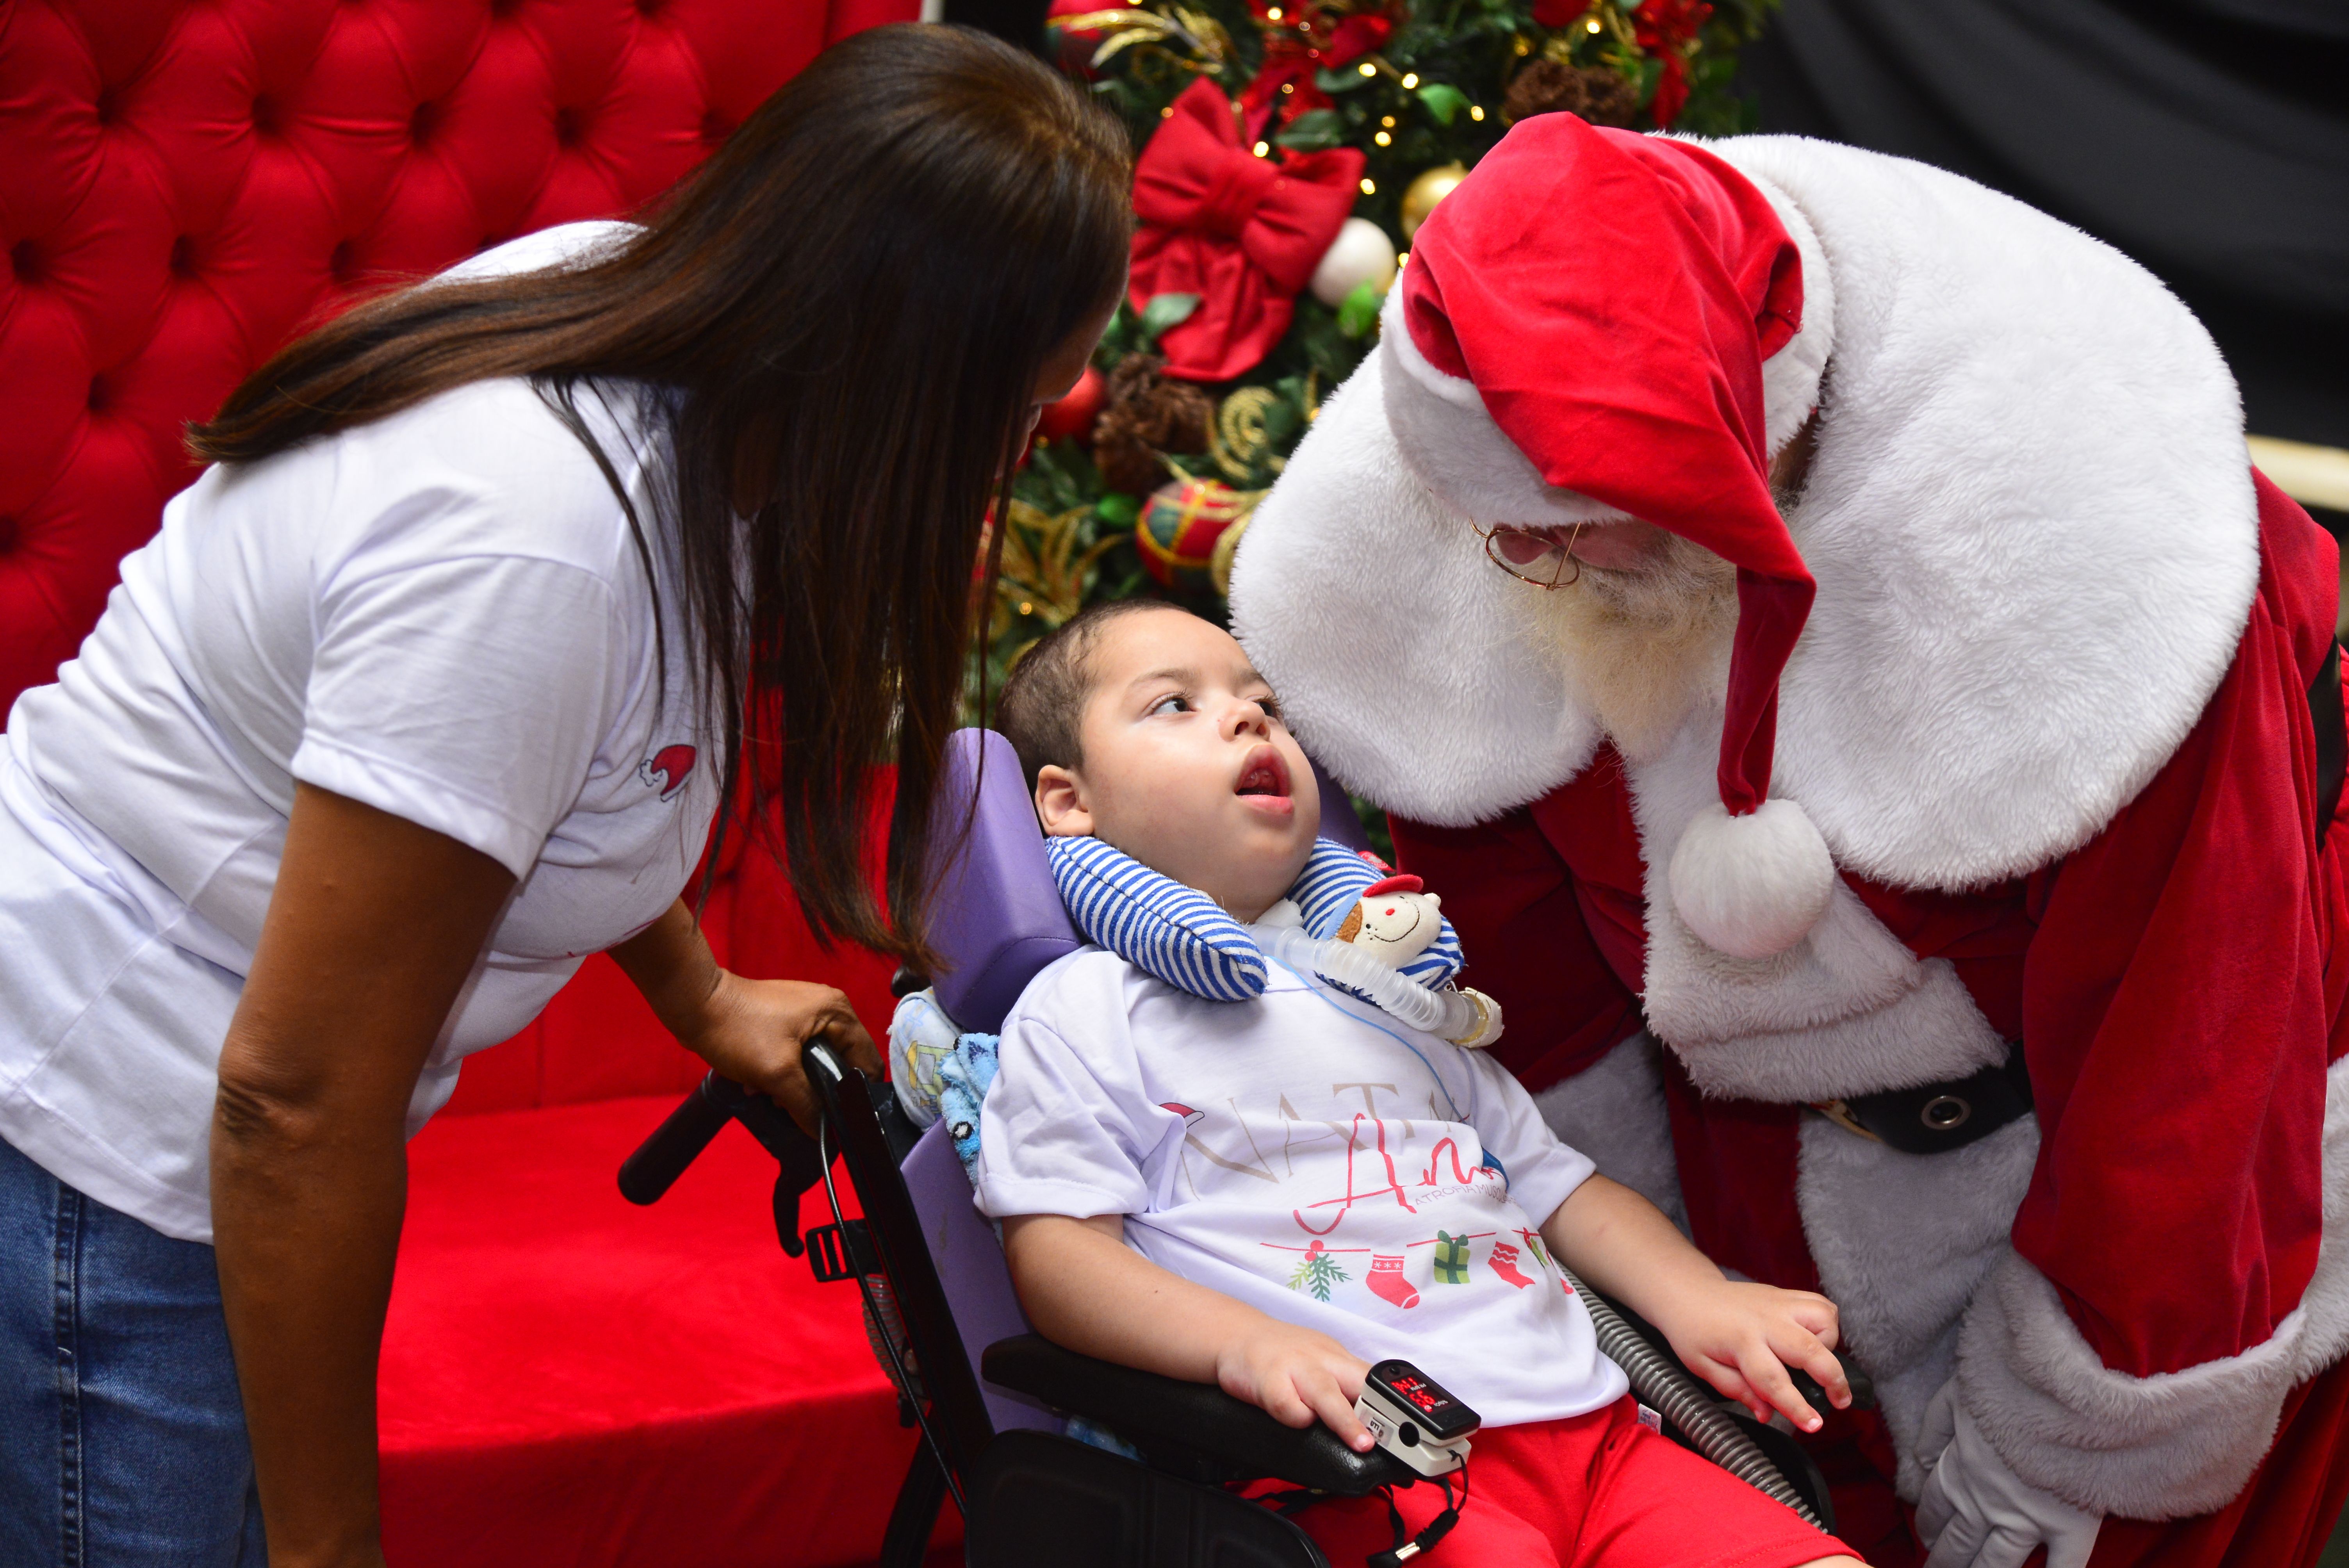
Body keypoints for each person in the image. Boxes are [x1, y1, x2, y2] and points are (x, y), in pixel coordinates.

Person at [0, 25, 1132, 1568]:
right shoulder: (530, 546)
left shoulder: (681, 329)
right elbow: (293, 1101)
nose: (1017, 453)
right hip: (109, 1139)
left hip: (206, 1114)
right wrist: (333, 1551)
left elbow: (545, 766)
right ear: (902, 377)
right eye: (1013, 413)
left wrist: (697, 983)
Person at [1230, 112, 2349, 1568]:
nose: (1527, 570)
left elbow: (2185, 1076)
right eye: (1496, 530)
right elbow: (1522, 973)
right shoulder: (1484, 519)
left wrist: (2070, 1447)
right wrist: (1632, 1273)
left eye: (1573, 528)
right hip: (1746, 1172)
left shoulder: (2125, 584)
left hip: (2150, 1204)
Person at [975, 600, 1865, 1567]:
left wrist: (1701, 1300)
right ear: (1068, 803)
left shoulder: (1387, 991)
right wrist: (1242, 1345)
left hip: (1602, 1435)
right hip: (1370, 1470)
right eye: (1173, 706)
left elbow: (1559, 1189)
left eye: (1262, 701)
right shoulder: (1088, 1007)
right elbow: (1058, 1257)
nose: (1247, 719)